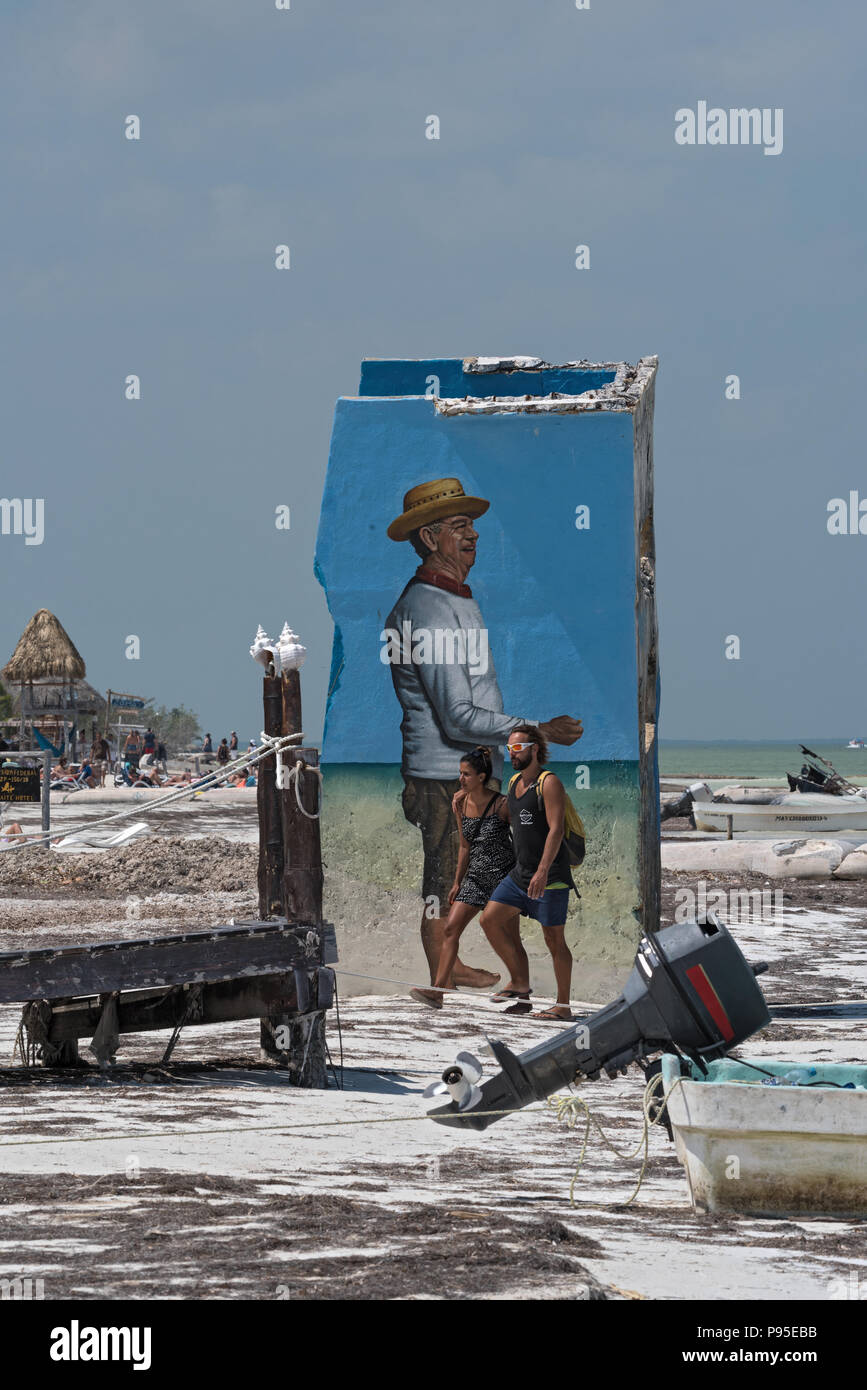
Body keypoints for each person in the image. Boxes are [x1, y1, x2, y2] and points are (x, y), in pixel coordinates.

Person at [385, 477, 583, 989]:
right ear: (429, 539)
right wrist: (534, 729)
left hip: (463, 772)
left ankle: (450, 966)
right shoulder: (428, 608)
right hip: (440, 775)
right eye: (459, 527)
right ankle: (440, 972)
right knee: (446, 873)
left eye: (472, 525)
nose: (473, 535)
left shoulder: (450, 598)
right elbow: (457, 714)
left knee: (480, 868)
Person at [479, 725, 578, 1021]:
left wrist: (543, 871)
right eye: (509, 749)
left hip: (551, 876)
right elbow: (513, 821)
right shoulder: (513, 783)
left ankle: (562, 1005)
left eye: (518, 749)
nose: (512, 754)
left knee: (554, 940)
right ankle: (520, 983)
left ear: (534, 749)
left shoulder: (549, 783)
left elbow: (556, 829)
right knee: (490, 920)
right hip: (520, 874)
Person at [409, 746, 514, 1009]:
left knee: (509, 934)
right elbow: (464, 846)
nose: (461, 779)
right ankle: (438, 990)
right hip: (476, 877)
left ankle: (520, 985)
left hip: (503, 876)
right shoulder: (460, 803)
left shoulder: (502, 805)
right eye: (460, 773)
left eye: (466, 774)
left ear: (481, 777)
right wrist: (457, 882)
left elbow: (522, 841)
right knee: (450, 928)